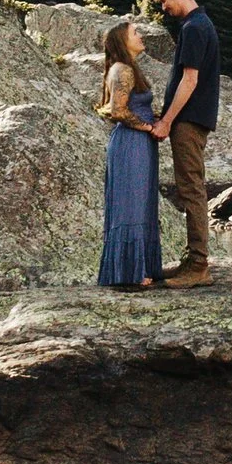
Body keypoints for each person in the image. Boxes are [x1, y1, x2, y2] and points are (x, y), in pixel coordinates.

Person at [149, 0, 220, 288]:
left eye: (164, 1)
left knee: (191, 189)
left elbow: (189, 80)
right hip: (192, 119)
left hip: (189, 120)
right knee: (190, 186)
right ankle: (192, 261)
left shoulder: (194, 28)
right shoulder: (199, 24)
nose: (164, 8)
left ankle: (199, 265)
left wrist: (166, 120)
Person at [95, 19, 164, 288]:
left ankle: (141, 267)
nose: (141, 36)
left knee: (142, 203)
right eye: (135, 33)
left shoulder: (130, 68)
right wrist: (148, 127)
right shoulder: (121, 69)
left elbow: (133, 107)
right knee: (131, 205)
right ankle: (130, 272)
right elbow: (118, 111)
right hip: (131, 143)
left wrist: (157, 120)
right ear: (123, 41)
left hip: (141, 142)